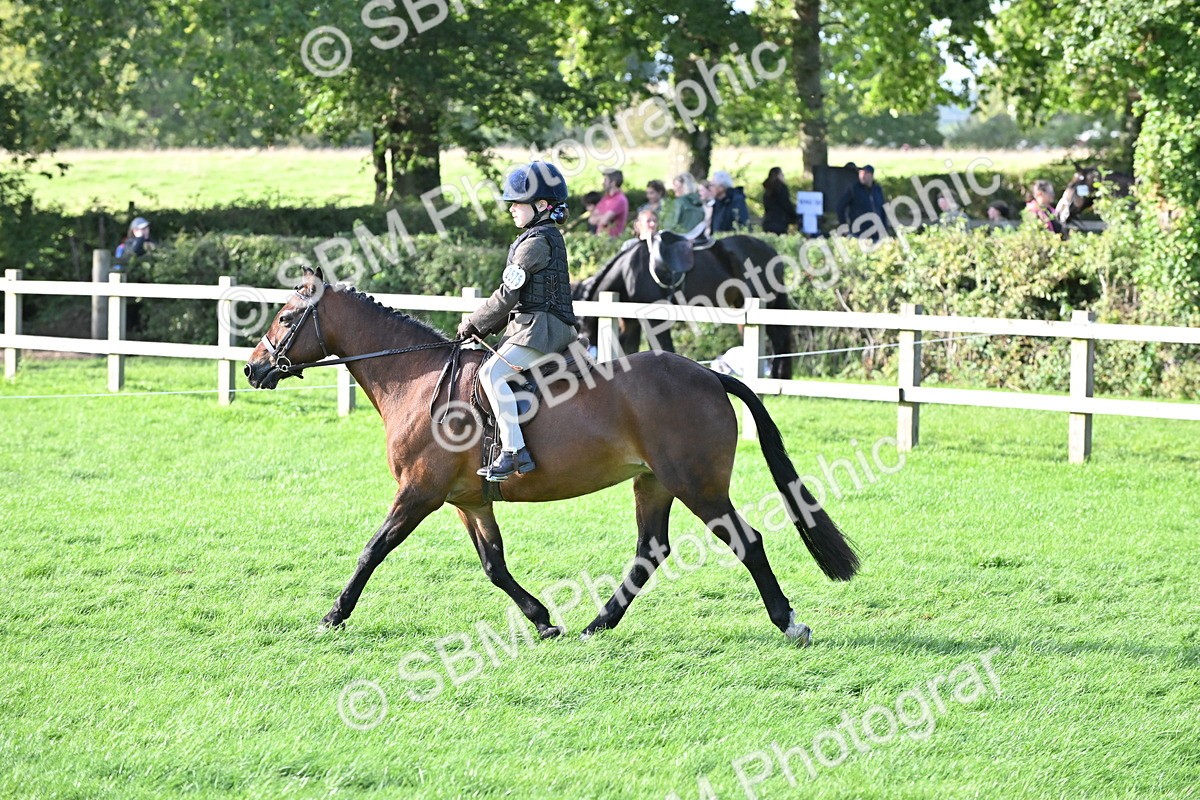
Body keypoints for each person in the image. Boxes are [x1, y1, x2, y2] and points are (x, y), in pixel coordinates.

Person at [456, 161, 578, 481]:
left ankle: (513, 451)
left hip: (541, 332)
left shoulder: (536, 243)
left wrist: (474, 322)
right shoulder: (537, 237)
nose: (511, 208)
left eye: (517, 203)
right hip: (534, 327)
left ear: (541, 206)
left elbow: (507, 294)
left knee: (491, 373)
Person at [836, 164, 887, 240]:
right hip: (859, 231)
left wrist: (884, 229)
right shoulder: (854, 189)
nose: (862, 176)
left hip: (876, 231)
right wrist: (843, 226)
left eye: (866, 174)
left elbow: (882, 209)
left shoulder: (877, 190)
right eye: (861, 173)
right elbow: (840, 207)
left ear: (871, 175)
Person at [591, 168, 629, 238]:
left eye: (605, 180)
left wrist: (601, 217)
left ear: (613, 182)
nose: (603, 183)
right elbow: (591, 220)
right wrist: (603, 217)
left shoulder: (620, 199)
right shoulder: (605, 198)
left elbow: (604, 221)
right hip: (601, 239)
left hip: (612, 241)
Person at [761, 167, 797, 234]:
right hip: (780, 221)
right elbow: (786, 204)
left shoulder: (767, 189)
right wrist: (794, 216)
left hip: (768, 221)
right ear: (778, 175)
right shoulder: (781, 188)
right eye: (782, 174)